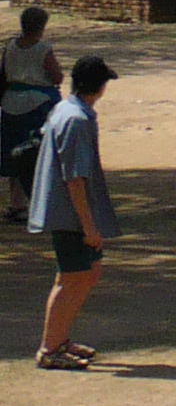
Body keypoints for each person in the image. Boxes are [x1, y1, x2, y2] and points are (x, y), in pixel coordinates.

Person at [30, 53, 117, 371]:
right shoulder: (76, 120)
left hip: (71, 213)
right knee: (72, 278)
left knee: (87, 272)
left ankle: (60, 338)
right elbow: (74, 179)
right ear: (101, 86)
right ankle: (50, 348)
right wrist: (89, 226)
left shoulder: (67, 110)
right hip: (70, 215)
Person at [1, 3, 58, 214]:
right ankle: (39, 202)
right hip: (38, 104)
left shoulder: (10, 46)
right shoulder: (43, 48)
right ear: (41, 27)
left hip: (10, 103)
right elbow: (56, 76)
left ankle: (17, 203)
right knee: (36, 152)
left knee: (14, 153)